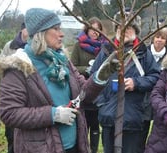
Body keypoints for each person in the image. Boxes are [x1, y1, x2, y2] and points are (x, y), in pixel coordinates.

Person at [0, 8, 118, 153]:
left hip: (74, 146)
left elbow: (83, 96)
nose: (62, 34)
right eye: (56, 29)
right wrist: (53, 115)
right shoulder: (19, 67)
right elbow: (10, 113)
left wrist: (99, 77)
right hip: (41, 149)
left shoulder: (62, 61)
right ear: (40, 33)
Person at [90, 9, 160, 153]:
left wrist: (136, 83)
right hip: (109, 115)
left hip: (134, 116)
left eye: (128, 27)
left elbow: (155, 77)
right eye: (120, 27)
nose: (124, 30)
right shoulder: (106, 51)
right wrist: (102, 103)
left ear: (135, 30)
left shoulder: (143, 52)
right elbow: (93, 79)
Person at [70, 16, 108, 153]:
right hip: (83, 87)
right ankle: (83, 148)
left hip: (99, 89)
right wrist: (86, 69)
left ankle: (94, 149)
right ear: (87, 29)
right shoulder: (78, 45)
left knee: (95, 125)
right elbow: (72, 65)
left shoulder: (105, 46)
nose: (95, 32)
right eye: (92, 29)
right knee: (84, 123)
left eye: (98, 29)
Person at [137, 27, 167, 153]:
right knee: (142, 131)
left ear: (166, 41)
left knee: (159, 133)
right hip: (144, 97)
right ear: (152, 38)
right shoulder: (144, 53)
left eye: (162, 38)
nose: (159, 40)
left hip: (162, 98)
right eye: (157, 37)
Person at [0, 22, 29, 153]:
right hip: (12, 94)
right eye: (28, 29)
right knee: (11, 136)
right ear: (22, 30)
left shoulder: (35, 47)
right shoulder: (9, 46)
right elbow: (1, 69)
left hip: (29, 98)